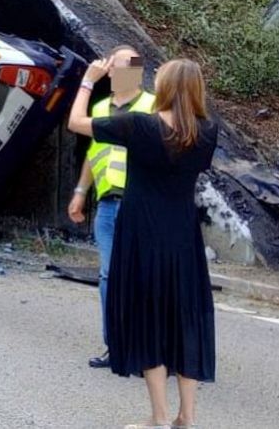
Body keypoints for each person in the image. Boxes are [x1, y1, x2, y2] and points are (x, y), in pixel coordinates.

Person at [67, 58, 217, 429]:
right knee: (185, 322)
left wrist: (88, 82)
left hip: (142, 234)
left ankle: (160, 418)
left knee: (149, 319)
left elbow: (74, 123)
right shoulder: (207, 132)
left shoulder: (139, 126)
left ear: (163, 88)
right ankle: (187, 417)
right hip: (183, 238)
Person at [67, 45, 156, 369]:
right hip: (107, 207)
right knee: (109, 276)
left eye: (130, 66)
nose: (121, 72)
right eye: (116, 66)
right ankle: (116, 345)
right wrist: (80, 191)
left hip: (140, 205)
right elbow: (95, 152)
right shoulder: (102, 107)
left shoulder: (153, 106)